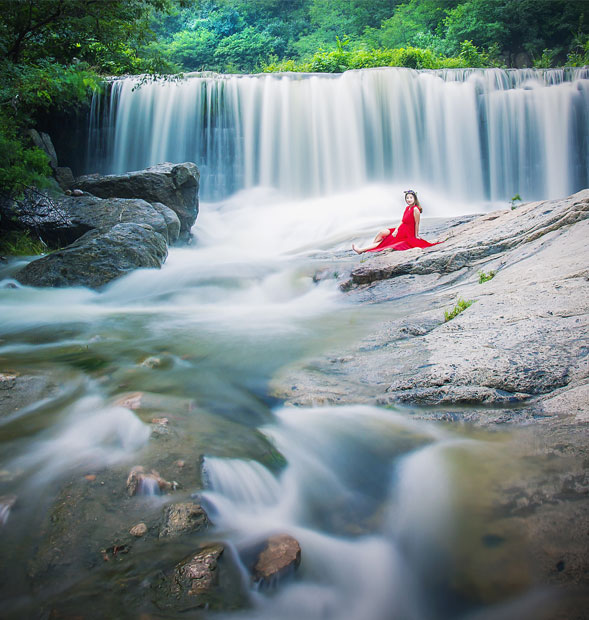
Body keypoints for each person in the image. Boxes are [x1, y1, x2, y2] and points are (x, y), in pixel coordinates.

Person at [352, 190, 440, 254]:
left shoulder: (415, 209)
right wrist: (396, 230)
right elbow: (403, 221)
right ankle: (373, 246)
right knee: (383, 232)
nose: (409, 199)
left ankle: (361, 250)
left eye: (411, 198)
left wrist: (416, 235)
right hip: (401, 229)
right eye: (407, 198)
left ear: (415, 199)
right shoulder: (407, 208)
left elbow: (417, 223)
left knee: (384, 242)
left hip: (407, 233)